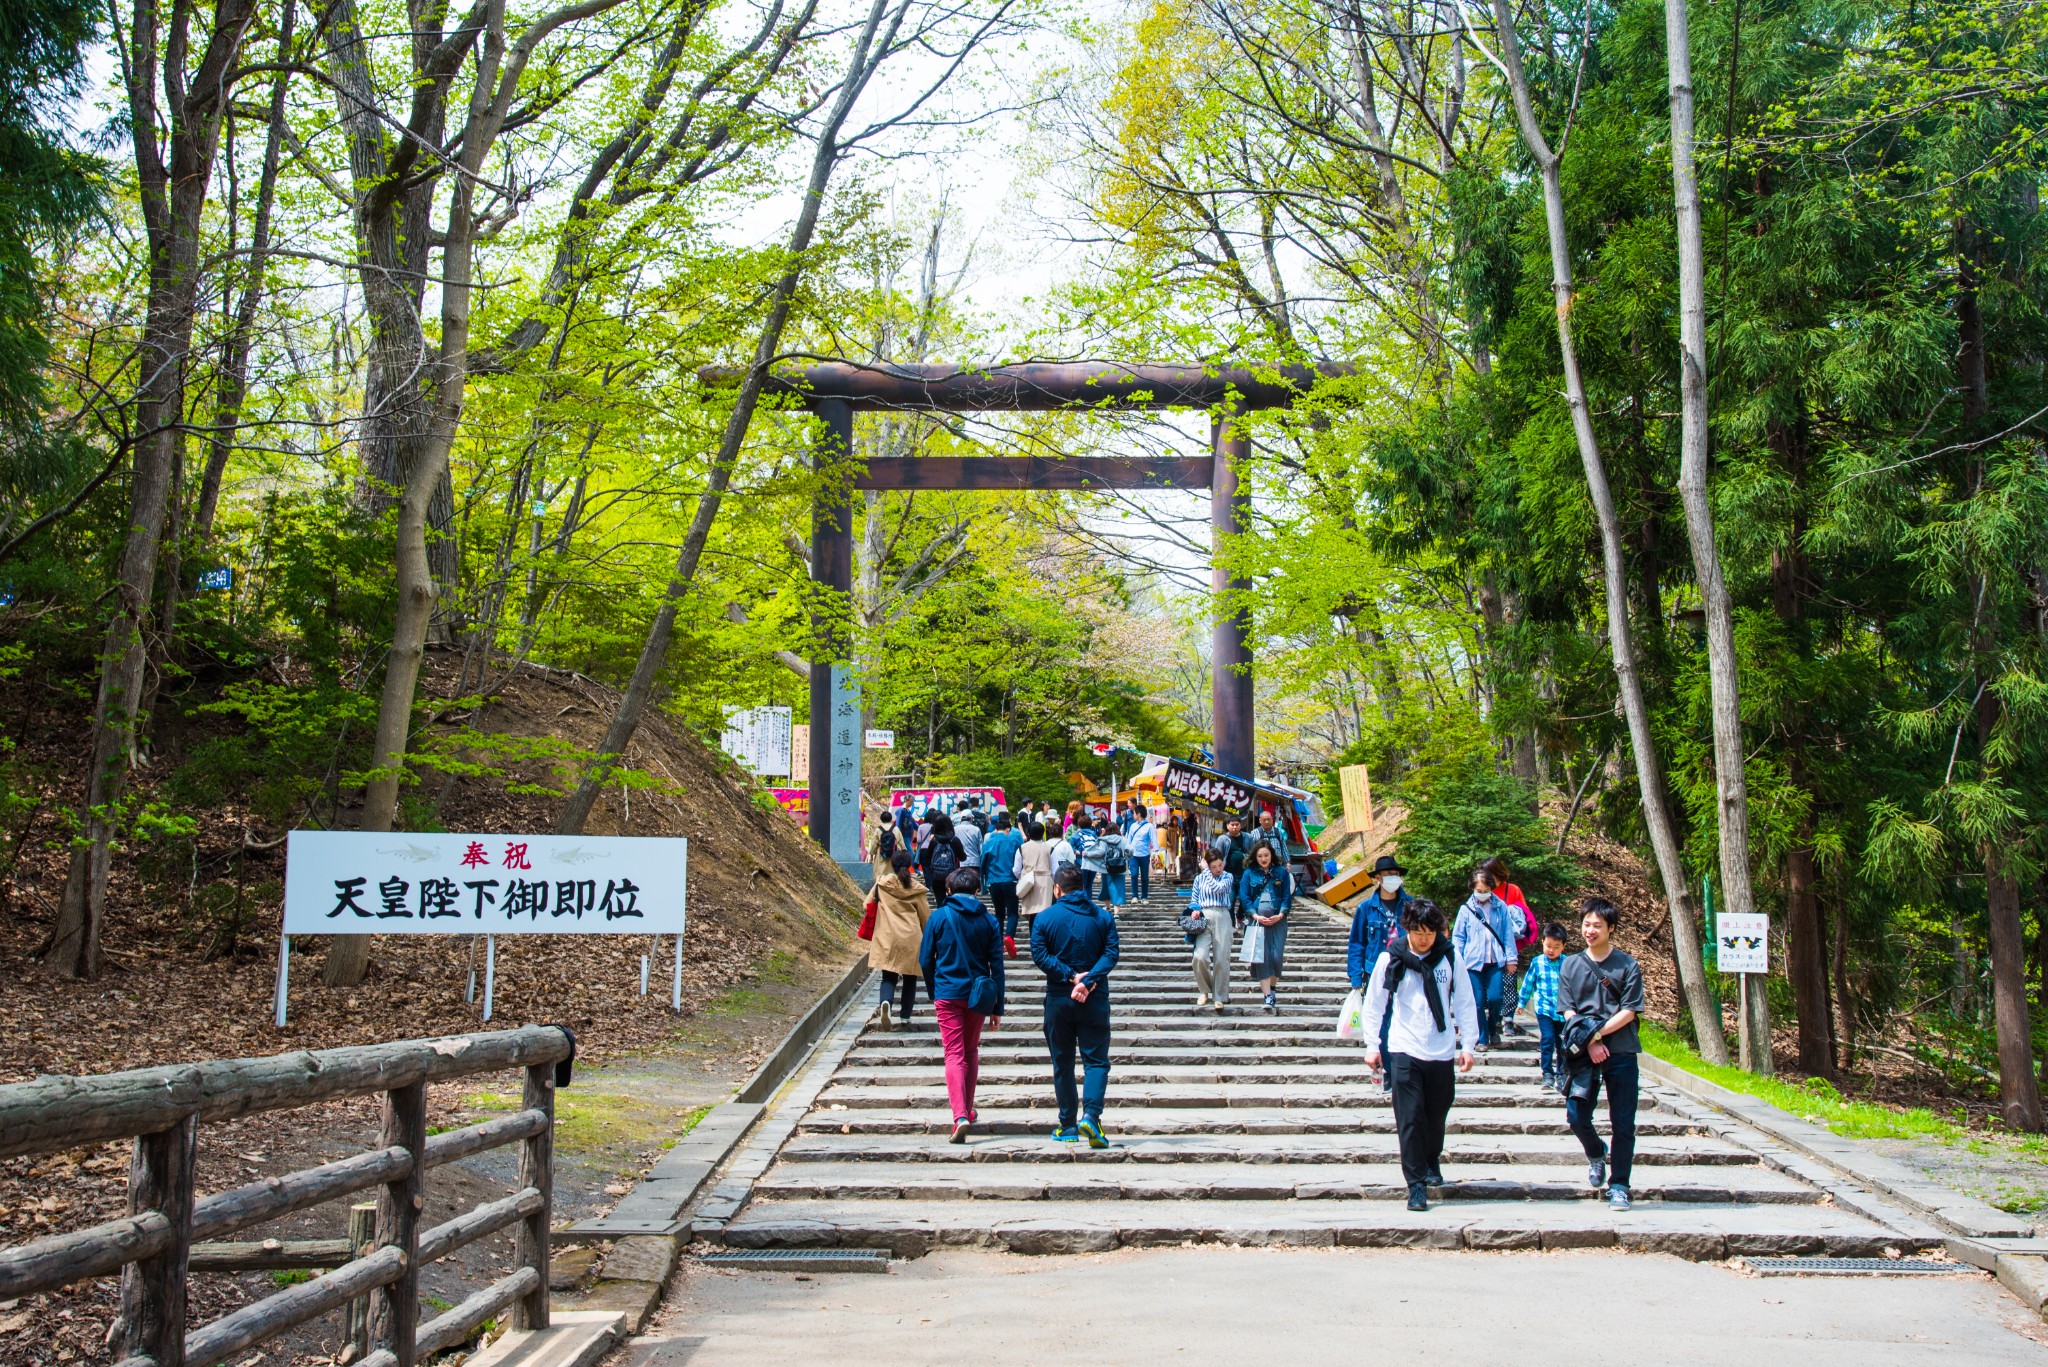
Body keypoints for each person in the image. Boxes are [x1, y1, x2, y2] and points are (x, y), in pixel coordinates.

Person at [1362, 897, 1479, 1211]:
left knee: (1435, 1116)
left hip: (1440, 1050)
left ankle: (1431, 1160)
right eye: (1419, 932)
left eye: (1431, 932)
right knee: (1410, 1118)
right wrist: (1372, 1045)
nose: (1425, 938)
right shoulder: (1393, 958)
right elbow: (1374, 1003)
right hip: (1404, 1048)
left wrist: (1468, 1045)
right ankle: (1415, 1185)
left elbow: (1466, 1002)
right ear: (1407, 929)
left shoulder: (1449, 957)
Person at [1561, 897, 1646, 1211]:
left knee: (1623, 1123)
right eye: (1586, 924)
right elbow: (1568, 1011)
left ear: (1611, 928)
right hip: (1584, 1055)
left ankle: (1620, 1185)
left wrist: (1597, 1035)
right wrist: (1590, 1043)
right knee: (1575, 1115)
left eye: (1597, 925)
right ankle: (1596, 1153)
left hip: (1622, 1051)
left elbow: (1629, 1011)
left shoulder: (1627, 965)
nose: (1590, 930)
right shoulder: (1571, 964)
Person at [1030, 866, 1120, 1148]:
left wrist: (1069, 976)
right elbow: (1111, 953)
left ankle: (1067, 1124)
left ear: (1057, 888)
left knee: (1063, 1062)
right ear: (1082, 887)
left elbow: (1039, 954)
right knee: (1095, 1060)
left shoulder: (1044, 918)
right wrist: (1089, 980)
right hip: (1094, 999)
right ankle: (1091, 1116)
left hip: (1059, 998)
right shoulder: (1102, 917)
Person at [920, 866, 1005, 1143]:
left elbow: (925, 960)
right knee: (970, 1051)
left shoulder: (939, 917)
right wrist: (997, 1008)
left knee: (953, 1053)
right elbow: (997, 966)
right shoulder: (990, 921)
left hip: (948, 993)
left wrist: (935, 991)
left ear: (948, 890)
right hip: (979, 995)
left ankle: (960, 1116)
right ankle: (967, 1109)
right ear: (977, 891)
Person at [1347, 855, 1411, 1092]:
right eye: (1387, 876)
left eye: (1396, 875)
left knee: (1402, 1020)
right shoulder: (1366, 908)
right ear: (1377, 879)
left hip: (1406, 971)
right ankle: (1387, 1072)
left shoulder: (1411, 905)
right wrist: (1355, 978)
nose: (1393, 879)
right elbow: (1357, 943)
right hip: (1375, 971)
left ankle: (1401, 1072)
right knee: (1381, 1024)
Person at [1451, 865, 1521, 1050]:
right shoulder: (1466, 909)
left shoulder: (1501, 907)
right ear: (1473, 889)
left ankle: (1492, 1028)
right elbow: (1458, 936)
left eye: (1486, 891)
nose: (1482, 894)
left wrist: (1511, 959)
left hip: (1495, 960)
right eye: (1479, 891)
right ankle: (1482, 1037)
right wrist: (1458, 960)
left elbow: (1507, 934)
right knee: (1478, 1001)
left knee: (1496, 997)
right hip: (1472, 962)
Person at [868, 851, 930, 1031]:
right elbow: (925, 917)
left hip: (887, 935)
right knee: (911, 977)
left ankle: (885, 1002)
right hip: (911, 937)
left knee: (888, 975)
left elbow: (867, 904)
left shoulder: (881, 885)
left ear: (892, 865)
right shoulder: (916, 888)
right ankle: (905, 1016)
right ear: (909, 865)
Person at [1482, 855, 1537, 1037]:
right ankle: (1494, 1016)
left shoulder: (1512, 890)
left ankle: (1508, 1019)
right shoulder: (1482, 890)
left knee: (1509, 982)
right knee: (1491, 985)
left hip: (1507, 945)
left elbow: (1523, 914)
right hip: (1487, 947)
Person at [1237, 842, 1294, 1014]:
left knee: (1276, 956)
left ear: (1272, 856)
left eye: (1266, 855)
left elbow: (1286, 896)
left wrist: (1282, 914)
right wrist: (1254, 915)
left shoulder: (1282, 872)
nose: (1263, 859)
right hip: (1256, 921)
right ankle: (1267, 995)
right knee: (1261, 957)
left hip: (1278, 920)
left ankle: (1273, 987)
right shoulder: (1249, 873)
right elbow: (1244, 897)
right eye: (1260, 856)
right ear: (1255, 856)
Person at [1519, 921, 1570, 1090]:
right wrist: (1522, 1002)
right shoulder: (1537, 962)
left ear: (1563, 946)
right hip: (1544, 1010)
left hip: (1564, 1012)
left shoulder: (1568, 963)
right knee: (1547, 1040)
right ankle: (1547, 1074)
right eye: (1548, 945)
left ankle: (1561, 1073)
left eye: (1556, 946)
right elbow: (1528, 983)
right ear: (1542, 942)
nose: (1551, 950)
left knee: (1562, 1043)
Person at [1184, 850, 1235, 1010]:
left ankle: (1219, 996)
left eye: (1220, 865)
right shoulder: (1199, 879)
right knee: (1199, 956)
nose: (1218, 869)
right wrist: (1194, 910)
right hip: (1204, 917)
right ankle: (1204, 990)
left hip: (1222, 915)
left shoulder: (1227, 877)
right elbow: (1194, 899)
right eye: (1214, 866)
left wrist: (1206, 870)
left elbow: (1218, 889)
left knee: (1221, 958)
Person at [981, 812, 1025, 957]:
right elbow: (1020, 860)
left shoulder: (989, 842)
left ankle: (999, 942)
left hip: (994, 882)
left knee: (999, 913)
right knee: (1012, 913)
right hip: (1010, 880)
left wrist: (983, 883)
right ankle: (1009, 937)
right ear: (1008, 829)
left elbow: (983, 863)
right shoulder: (1013, 841)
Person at [918, 812, 966, 907]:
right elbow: (963, 857)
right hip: (952, 876)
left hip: (936, 877)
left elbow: (928, 857)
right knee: (954, 901)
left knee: (940, 902)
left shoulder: (934, 841)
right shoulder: (954, 840)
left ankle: (942, 919)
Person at [1016, 820, 1056, 928]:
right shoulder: (1050, 849)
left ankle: (1033, 938)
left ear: (1028, 833)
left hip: (1029, 883)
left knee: (1032, 913)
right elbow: (1055, 870)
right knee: (1045, 912)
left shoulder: (1021, 848)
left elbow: (1016, 869)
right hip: (1045, 883)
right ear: (1043, 833)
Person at [1069, 815, 1107, 898]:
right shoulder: (1094, 835)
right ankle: (1089, 901)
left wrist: (1077, 852)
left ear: (1079, 824)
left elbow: (1070, 846)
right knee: (1089, 884)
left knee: (1082, 884)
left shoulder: (1077, 835)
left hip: (1081, 862)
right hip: (1093, 862)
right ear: (1090, 824)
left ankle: (1083, 903)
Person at [1097, 820, 1130, 907]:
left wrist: (1087, 854)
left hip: (1106, 868)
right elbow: (1130, 851)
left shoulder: (1104, 840)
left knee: (1106, 888)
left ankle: (1108, 907)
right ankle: (1116, 913)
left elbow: (1100, 852)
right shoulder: (1123, 840)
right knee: (1118, 888)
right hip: (1120, 866)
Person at [1126, 812, 1155, 900]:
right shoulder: (1132, 826)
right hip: (1133, 855)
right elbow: (1129, 839)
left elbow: (1153, 839)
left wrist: (1156, 852)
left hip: (1144, 854)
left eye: (1134, 813)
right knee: (1134, 874)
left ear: (1138, 814)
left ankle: (1144, 897)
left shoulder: (1149, 826)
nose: (1133, 815)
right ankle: (1134, 896)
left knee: (1145, 876)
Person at [955, 802, 985, 872]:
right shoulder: (976, 829)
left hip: (961, 863)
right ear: (971, 818)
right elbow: (981, 848)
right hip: (975, 863)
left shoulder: (955, 829)